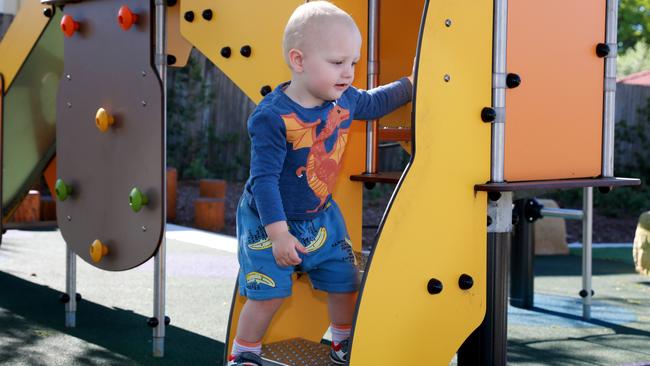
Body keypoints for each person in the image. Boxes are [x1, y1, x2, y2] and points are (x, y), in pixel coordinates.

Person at [229, 1, 413, 365]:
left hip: (320, 215)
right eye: (336, 62)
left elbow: (375, 103)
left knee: (345, 280)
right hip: (268, 219)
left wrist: (412, 83)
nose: (347, 73)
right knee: (269, 293)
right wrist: (279, 234)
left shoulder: (343, 98)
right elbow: (263, 181)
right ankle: (244, 352)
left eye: (353, 63)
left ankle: (341, 342)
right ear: (299, 61)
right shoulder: (273, 116)